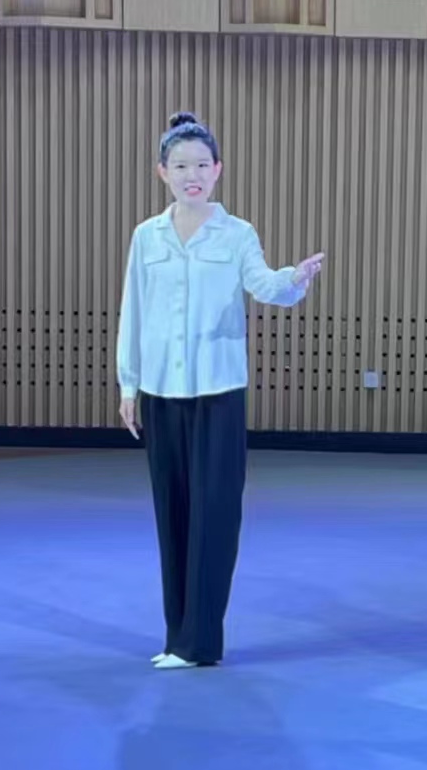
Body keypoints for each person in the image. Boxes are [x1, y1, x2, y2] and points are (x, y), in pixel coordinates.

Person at [116, 111, 325, 670]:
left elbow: (264, 285)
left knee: (215, 515)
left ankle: (201, 642)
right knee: (173, 516)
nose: (192, 175)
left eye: (202, 165)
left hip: (218, 392)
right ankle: (176, 637)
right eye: (181, 165)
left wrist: (294, 279)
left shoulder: (237, 234)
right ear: (162, 172)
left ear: (218, 170)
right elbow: (134, 311)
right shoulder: (146, 236)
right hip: (161, 392)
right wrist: (129, 384)